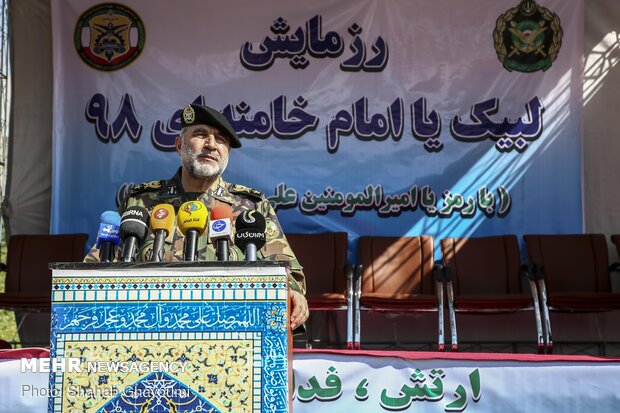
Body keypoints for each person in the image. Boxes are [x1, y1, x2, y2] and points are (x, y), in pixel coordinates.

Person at [85, 103, 309, 330]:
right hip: (148, 325)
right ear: (179, 145)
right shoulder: (141, 202)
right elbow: (96, 268)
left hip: (230, 326)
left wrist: (293, 292)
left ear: (227, 153)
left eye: (220, 140)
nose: (211, 145)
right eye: (201, 135)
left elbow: (290, 273)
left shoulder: (251, 207)